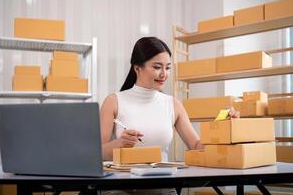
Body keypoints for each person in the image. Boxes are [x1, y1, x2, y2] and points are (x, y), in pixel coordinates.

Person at [100, 37, 239, 194]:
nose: (164, 74)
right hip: (121, 188)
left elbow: (196, 146)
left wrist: (223, 126)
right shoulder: (114, 101)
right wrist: (119, 143)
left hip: (162, 187)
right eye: (157, 67)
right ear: (137, 68)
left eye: (167, 68)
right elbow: (97, 153)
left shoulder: (173, 104)